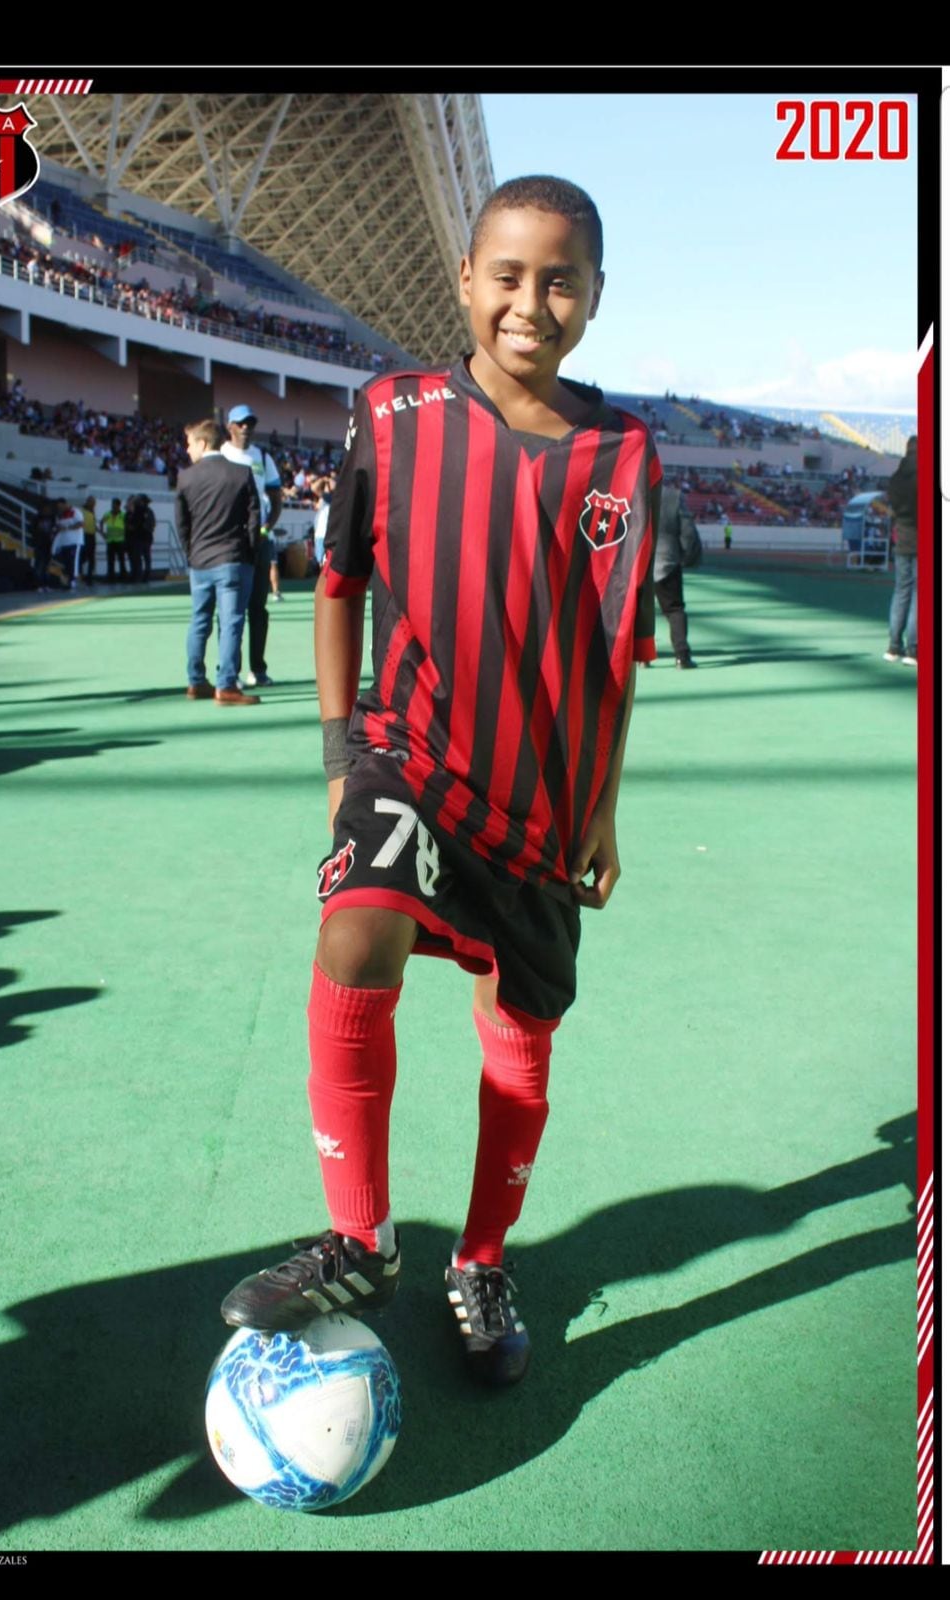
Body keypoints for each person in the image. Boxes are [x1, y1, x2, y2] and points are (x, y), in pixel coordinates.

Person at [221, 176, 660, 1387]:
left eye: (560, 278)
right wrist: (336, 748)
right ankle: (362, 1239)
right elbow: (338, 587)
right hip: (407, 759)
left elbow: (615, 656)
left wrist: (604, 805)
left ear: (596, 298)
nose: (532, 302)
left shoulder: (627, 454)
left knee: (521, 1037)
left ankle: (478, 1258)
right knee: (354, 931)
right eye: (509, 274)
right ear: (465, 281)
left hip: (542, 799)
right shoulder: (393, 412)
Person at [175, 418, 260, 706]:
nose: (187, 450)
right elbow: (253, 518)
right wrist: (248, 552)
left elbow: (182, 524)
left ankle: (195, 681)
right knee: (231, 621)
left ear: (202, 442)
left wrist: (191, 553)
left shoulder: (186, 478)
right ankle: (226, 685)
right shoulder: (240, 473)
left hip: (199, 561)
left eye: (189, 444)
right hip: (233, 558)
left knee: (199, 620)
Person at [220, 405, 283, 685]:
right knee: (230, 611)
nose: (246, 428)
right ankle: (229, 671)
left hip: (260, 541)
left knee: (258, 609)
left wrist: (267, 527)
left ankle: (258, 669)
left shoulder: (263, 457)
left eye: (251, 423)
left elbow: (276, 495)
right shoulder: (220, 456)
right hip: (231, 543)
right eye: (241, 423)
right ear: (230, 426)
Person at [654, 483, 702, 668]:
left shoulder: (630, 493)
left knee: (638, 611)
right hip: (667, 561)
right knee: (675, 610)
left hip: (638, 561)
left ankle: (641, 656)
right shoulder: (674, 497)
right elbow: (688, 531)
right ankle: (682, 656)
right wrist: (686, 555)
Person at [883, 436, 918, 666]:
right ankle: (913, 648)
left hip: (903, 540)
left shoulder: (896, 479)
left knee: (901, 591)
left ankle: (894, 645)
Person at [101, 498, 127, 583]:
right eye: (112, 505)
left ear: (119, 505)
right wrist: (102, 533)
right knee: (110, 560)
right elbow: (101, 522)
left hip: (120, 540)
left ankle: (123, 577)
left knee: (121, 560)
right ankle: (111, 578)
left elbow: (126, 525)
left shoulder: (123, 515)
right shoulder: (108, 514)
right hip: (110, 541)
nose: (113, 507)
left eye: (115, 505)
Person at [80, 496, 98, 586]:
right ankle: (79, 576)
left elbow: (94, 524)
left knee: (91, 559)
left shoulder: (92, 512)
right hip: (85, 536)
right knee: (83, 558)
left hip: (92, 536)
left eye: (94, 503)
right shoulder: (82, 511)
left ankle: (90, 579)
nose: (94, 505)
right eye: (92, 503)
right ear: (88, 502)